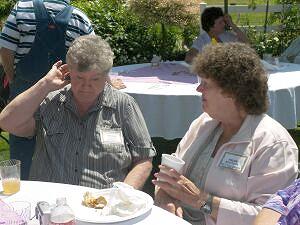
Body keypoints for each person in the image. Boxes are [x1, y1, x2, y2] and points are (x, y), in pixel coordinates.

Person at [153, 43, 298, 225]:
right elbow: (169, 176)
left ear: (232, 91)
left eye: (205, 84)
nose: (199, 90)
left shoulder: (273, 145)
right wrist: (165, 199)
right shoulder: (204, 123)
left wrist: (201, 201)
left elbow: (271, 216)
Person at [0, 35, 156, 190]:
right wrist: (45, 83)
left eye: (95, 79)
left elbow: (143, 159)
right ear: (68, 71)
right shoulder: (51, 102)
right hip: (51, 203)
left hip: (103, 205)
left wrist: (123, 194)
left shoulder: (124, 105)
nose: (86, 86)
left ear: (107, 76)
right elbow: (7, 122)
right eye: (79, 78)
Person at [0, 0, 94, 179]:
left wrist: (12, 79)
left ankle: (22, 195)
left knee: (20, 148)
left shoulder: (21, 9)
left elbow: (6, 50)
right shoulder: (80, 18)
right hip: (62, 98)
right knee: (59, 148)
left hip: (24, 95)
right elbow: (93, 60)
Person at [185, 7, 249, 64]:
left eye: (224, 21)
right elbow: (189, 58)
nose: (224, 24)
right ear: (211, 26)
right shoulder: (202, 40)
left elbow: (246, 43)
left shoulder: (226, 35)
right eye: (220, 22)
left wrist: (232, 24)